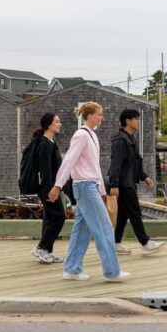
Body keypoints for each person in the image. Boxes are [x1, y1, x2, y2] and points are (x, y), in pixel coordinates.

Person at [49, 102, 129, 282]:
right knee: (104, 227)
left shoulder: (92, 135)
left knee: (82, 230)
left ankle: (71, 269)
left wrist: (101, 190)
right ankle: (112, 272)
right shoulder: (81, 135)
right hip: (84, 186)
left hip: (90, 186)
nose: (102, 117)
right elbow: (69, 160)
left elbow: (95, 167)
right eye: (99, 114)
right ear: (90, 115)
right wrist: (58, 185)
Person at [108, 109, 164, 255]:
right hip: (123, 184)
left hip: (128, 182)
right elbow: (116, 164)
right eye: (136, 119)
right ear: (128, 121)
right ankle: (145, 243)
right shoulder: (120, 140)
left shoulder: (131, 138)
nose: (139, 121)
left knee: (123, 215)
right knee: (135, 212)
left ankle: (115, 243)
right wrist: (114, 184)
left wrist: (144, 176)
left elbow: (135, 163)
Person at [30, 113, 67, 265]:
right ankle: (41, 248)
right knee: (59, 216)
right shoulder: (45, 144)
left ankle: (47, 252)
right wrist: (52, 189)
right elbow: (45, 170)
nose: (60, 124)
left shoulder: (51, 142)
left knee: (50, 218)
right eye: (57, 122)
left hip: (50, 187)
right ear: (49, 125)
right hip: (48, 188)